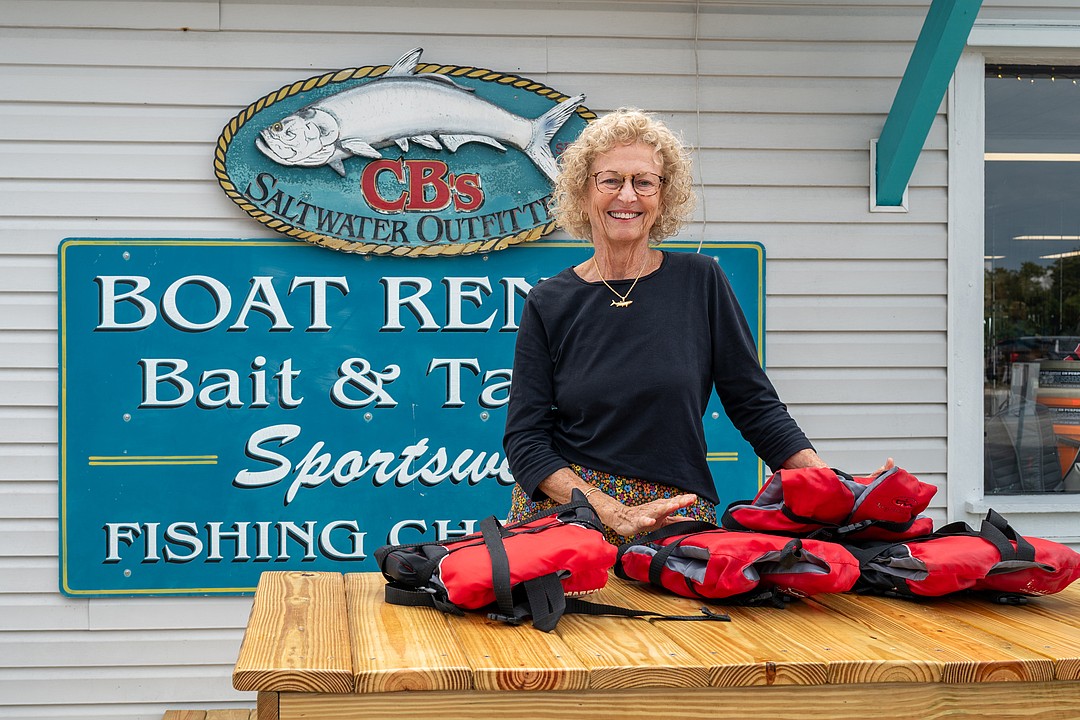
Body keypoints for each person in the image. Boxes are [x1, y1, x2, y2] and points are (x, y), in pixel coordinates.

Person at [503, 107, 883, 544]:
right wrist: (607, 510)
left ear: (662, 196)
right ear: (583, 192)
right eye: (610, 180)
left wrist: (835, 486)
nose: (627, 195)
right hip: (571, 511)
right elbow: (525, 439)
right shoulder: (549, 301)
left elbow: (753, 404)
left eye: (643, 182)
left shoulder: (699, 280)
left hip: (675, 510)